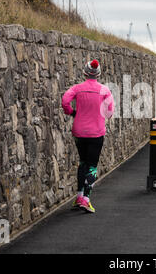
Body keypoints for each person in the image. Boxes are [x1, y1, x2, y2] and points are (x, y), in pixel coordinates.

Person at [61, 59, 114, 213]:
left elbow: (65, 101)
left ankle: (79, 196)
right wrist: (101, 116)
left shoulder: (77, 88)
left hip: (79, 131)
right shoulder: (105, 91)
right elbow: (110, 112)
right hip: (96, 132)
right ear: (98, 74)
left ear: (85, 73)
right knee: (92, 165)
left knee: (83, 162)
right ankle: (86, 199)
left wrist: (71, 112)